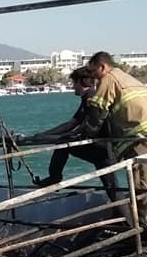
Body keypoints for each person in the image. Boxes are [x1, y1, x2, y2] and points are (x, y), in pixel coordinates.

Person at [83, 51, 147, 233]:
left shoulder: (109, 79)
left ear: (102, 67)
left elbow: (97, 112)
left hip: (140, 138)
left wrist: (88, 132)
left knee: (142, 186)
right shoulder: (130, 79)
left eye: (93, 71)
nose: (93, 77)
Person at [27, 66, 118, 199]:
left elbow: (79, 126)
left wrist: (52, 136)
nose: (73, 87)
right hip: (103, 148)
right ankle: (122, 216)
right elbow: (73, 123)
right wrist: (43, 135)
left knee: (63, 145)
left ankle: (54, 177)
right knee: (112, 189)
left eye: (74, 83)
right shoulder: (89, 97)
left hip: (101, 149)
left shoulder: (91, 98)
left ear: (83, 82)